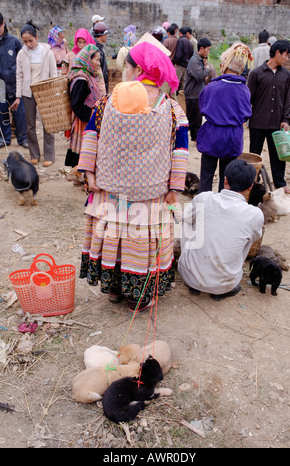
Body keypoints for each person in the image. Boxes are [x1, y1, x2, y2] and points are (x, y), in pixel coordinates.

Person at [77, 41, 189, 313]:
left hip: (110, 192)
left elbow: (91, 134)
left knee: (114, 237)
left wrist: (88, 172)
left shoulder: (107, 102)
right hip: (150, 197)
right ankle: (137, 297)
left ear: (137, 68)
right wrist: (174, 187)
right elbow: (181, 149)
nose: (125, 70)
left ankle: (115, 289)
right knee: (140, 243)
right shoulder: (172, 109)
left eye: (127, 65)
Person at [178, 159, 264, 301]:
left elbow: (185, 219)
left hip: (189, 276)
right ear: (250, 187)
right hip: (226, 285)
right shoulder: (255, 215)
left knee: (187, 220)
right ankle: (220, 285)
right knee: (249, 235)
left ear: (225, 181)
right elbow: (255, 238)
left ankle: (194, 275)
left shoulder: (203, 198)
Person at [197, 42, 253, 192]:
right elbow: (246, 115)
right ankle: (222, 207)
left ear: (224, 65)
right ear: (241, 69)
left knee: (207, 174)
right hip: (232, 137)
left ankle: (203, 206)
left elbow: (202, 108)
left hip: (212, 135)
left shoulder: (211, 87)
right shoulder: (244, 90)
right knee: (226, 176)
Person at [248, 40, 290, 193]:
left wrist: (286, 119)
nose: (287, 58)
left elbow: (287, 99)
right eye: (286, 55)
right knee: (254, 154)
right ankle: (253, 181)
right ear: (277, 53)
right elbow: (249, 99)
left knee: (278, 156)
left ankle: (279, 183)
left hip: (277, 123)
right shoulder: (256, 73)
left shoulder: (286, 75)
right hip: (258, 122)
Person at [11, 21, 57, 167]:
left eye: (30, 40)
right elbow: (19, 75)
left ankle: (49, 155)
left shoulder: (47, 52)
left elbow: (53, 74)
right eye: (25, 42)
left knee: (47, 124)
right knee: (30, 125)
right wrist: (18, 96)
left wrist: (53, 92)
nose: (28, 44)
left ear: (36, 36)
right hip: (28, 93)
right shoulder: (21, 54)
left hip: (44, 92)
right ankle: (34, 154)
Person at [65, 44, 106, 167]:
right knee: (85, 151)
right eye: (97, 60)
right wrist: (93, 117)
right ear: (88, 60)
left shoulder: (88, 75)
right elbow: (76, 105)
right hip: (84, 123)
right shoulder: (82, 79)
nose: (99, 63)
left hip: (88, 119)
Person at [0, 13, 28, 149]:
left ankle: (23, 138)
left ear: (3, 23)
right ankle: (5, 138)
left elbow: (22, 61)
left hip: (15, 82)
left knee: (20, 112)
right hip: (0, 85)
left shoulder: (14, 41)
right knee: (2, 111)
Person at [184, 37, 212, 142]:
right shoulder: (195, 60)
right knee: (193, 118)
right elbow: (200, 75)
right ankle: (194, 138)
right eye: (208, 49)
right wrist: (207, 69)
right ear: (201, 48)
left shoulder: (199, 60)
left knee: (196, 117)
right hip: (192, 94)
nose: (208, 52)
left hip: (197, 93)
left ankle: (195, 137)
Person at [173, 27, 193, 93]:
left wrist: (175, 62)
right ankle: (181, 97)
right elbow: (191, 54)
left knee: (175, 82)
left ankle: (173, 97)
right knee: (183, 83)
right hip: (186, 65)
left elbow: (178, 54)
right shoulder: (189, 42)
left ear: (180, 33)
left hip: (180, 65)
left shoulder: (180, 41)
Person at [93, 22, 110, 93]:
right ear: (101, 35)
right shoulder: (95, 49)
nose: (107, 36)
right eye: (106, 34)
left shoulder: (99, 47)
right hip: (99, 86)